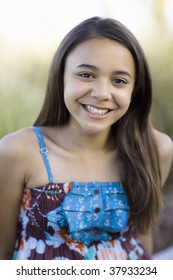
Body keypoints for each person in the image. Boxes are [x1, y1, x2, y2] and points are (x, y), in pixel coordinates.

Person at [0, 17, 172, 260]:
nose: (101, 93)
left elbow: (142, 243)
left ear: (135, 90)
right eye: (86, 75)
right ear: (61, 76)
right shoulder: (18, 151)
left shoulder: (154, 149)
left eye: (119, 81)